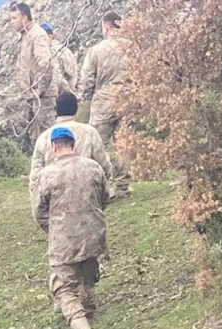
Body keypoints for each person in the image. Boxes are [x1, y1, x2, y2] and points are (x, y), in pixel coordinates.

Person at [33, 126, 108, 329]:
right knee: (87, 273)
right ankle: (88, 305)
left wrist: (54, 228)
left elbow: (39, 211)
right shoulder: (93, 167)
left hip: (64, 240)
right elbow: (104, 198)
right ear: (73, 144)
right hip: (94, 235)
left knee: (63, 287)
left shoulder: (48, 174)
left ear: (54, 147)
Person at [80, 11, 132, 198]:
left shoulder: (96, 50)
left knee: (97, 143)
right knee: (124, 144)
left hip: (104, 101)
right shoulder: (132, 47)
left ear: (106, 26)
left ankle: (102, 188)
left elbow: (87, 80)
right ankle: (123, 186)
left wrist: (86, 97)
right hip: (128, 98)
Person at [29, 91, 110, 201]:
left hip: (55, 197)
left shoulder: (44, 137)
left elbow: (35, 176)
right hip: (86, 194)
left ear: (56, 109)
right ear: (76, 109)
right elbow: (103, 165)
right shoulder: (89, 132)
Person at [9, 3, 55, 150]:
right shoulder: (25, 36)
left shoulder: (37, 35)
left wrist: (40, 89)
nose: (11, 22)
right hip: (31, 96)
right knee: (35, 136)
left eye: (14, 18)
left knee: (46, 136)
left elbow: (46, 63)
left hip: (42, 97)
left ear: (24, 17)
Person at [39, 22, 79, 99]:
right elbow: (78, 73)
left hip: (60, 98)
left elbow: (58, 78)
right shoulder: (67, 50)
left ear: (50, 37)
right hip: (71, 99)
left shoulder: (50, 53)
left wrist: (71, 94)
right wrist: (77, 95)